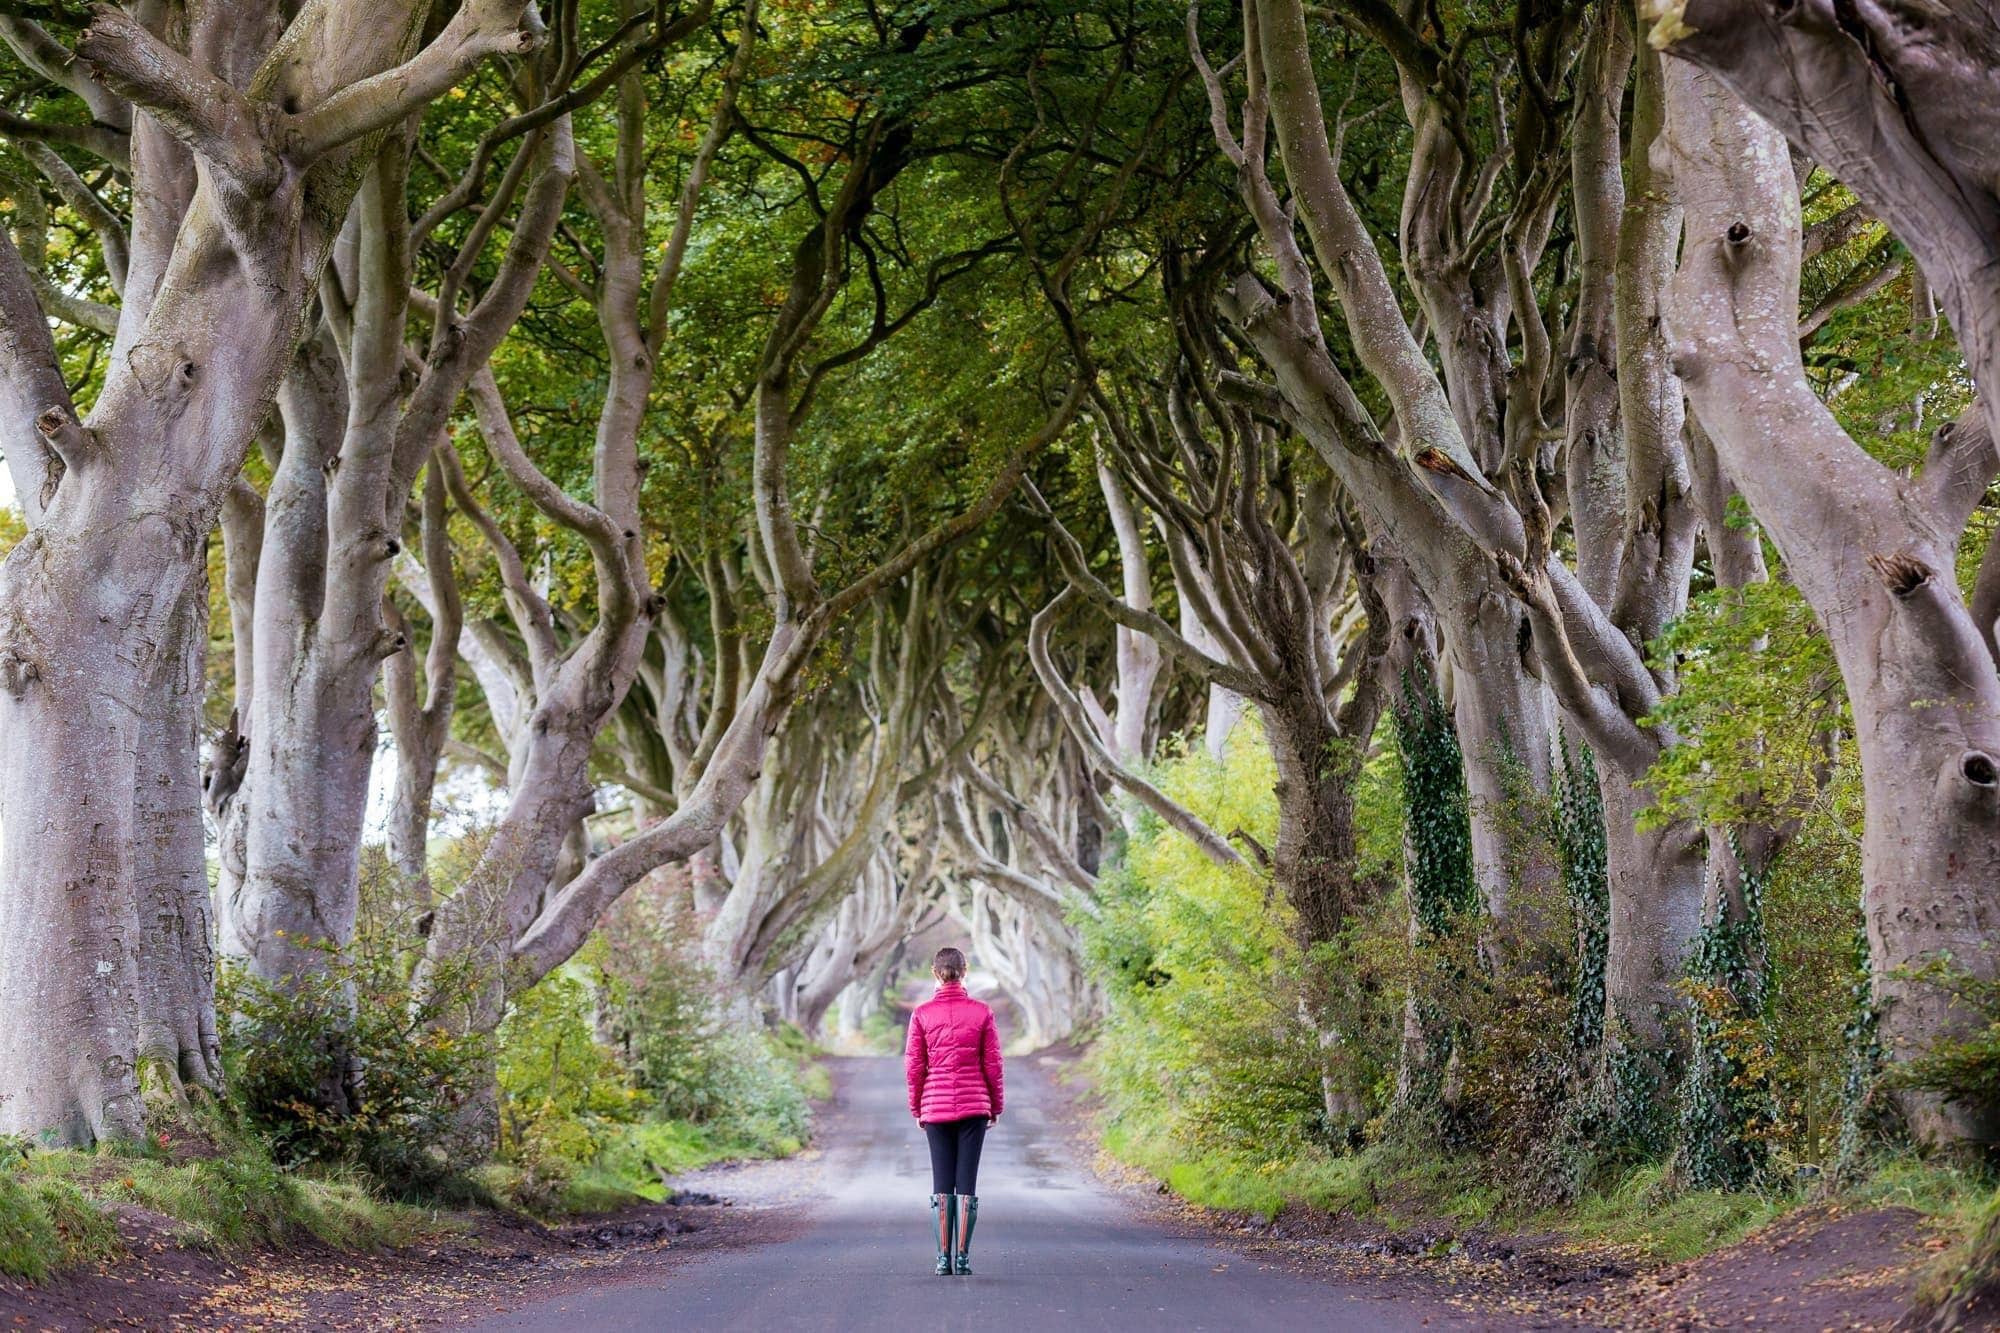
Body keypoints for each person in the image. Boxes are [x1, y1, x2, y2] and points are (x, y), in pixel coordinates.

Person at [904, 946, 1003, 1276]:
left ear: (935, 972)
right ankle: (962, 1258)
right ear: (965, 971)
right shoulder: (982, 1012)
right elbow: (993, 1064)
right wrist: (996, 1105)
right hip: (975, 1106)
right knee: (967, 1182)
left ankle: (942, 1258)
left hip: (935, 1107)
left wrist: (917, 1105)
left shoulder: (922, 1014)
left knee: (941, 1180)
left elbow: (915, 1066)